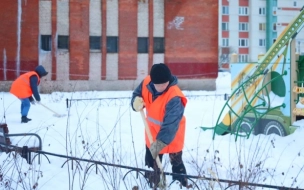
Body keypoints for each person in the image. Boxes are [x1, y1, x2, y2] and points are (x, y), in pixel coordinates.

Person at [131, 63, 188, 187]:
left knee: (177, 163)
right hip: (151, 132)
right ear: (152, 81)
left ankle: (181, 183)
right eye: (158, 84)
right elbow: (137, 94)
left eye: (164, 84)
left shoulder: (174, 97)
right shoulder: (146, 82)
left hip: (172, 134)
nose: (162, 87)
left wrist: (158, 145)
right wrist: (135, 103)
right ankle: (155, 180)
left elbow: (170, 126)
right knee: (152, 162)